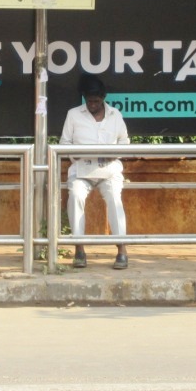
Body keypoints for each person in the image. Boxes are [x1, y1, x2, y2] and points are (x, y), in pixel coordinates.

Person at [60, 72, 130, 270]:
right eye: (89, 101)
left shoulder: (116, 115)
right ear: (84, 98)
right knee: (75, 197)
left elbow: (125, 141)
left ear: (103, 98)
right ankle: (79, 249)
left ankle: (122, 250)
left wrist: (114, 153)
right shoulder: (73, 114)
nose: (92, 105)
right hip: (82, 169)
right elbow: (64, 143)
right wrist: (78, 154)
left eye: (96, 101)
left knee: (115, 199)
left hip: (109, 170)